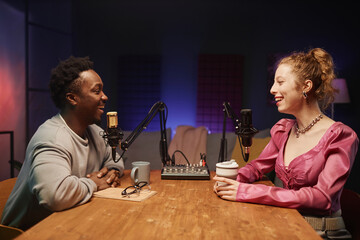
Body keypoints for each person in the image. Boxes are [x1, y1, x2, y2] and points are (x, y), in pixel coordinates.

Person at [213, 48, 358, 239]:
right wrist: (233, 180)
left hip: (321, 233)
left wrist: (249, 192)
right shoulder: (283, 130)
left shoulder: (341, 136)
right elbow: (257, 167)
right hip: (284, 224)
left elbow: (323, 198)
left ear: (306, 86)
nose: (272, 89)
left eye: (280, 82)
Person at [1, 56, 124, 230]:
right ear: (72, 98)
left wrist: (112, 171)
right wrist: (94, 183)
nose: (105, 97)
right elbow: (55, 195)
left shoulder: (96, 132)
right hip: (27, 233)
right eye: (97, 91)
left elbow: (115, 158)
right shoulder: (52, 138)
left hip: (66, 225)